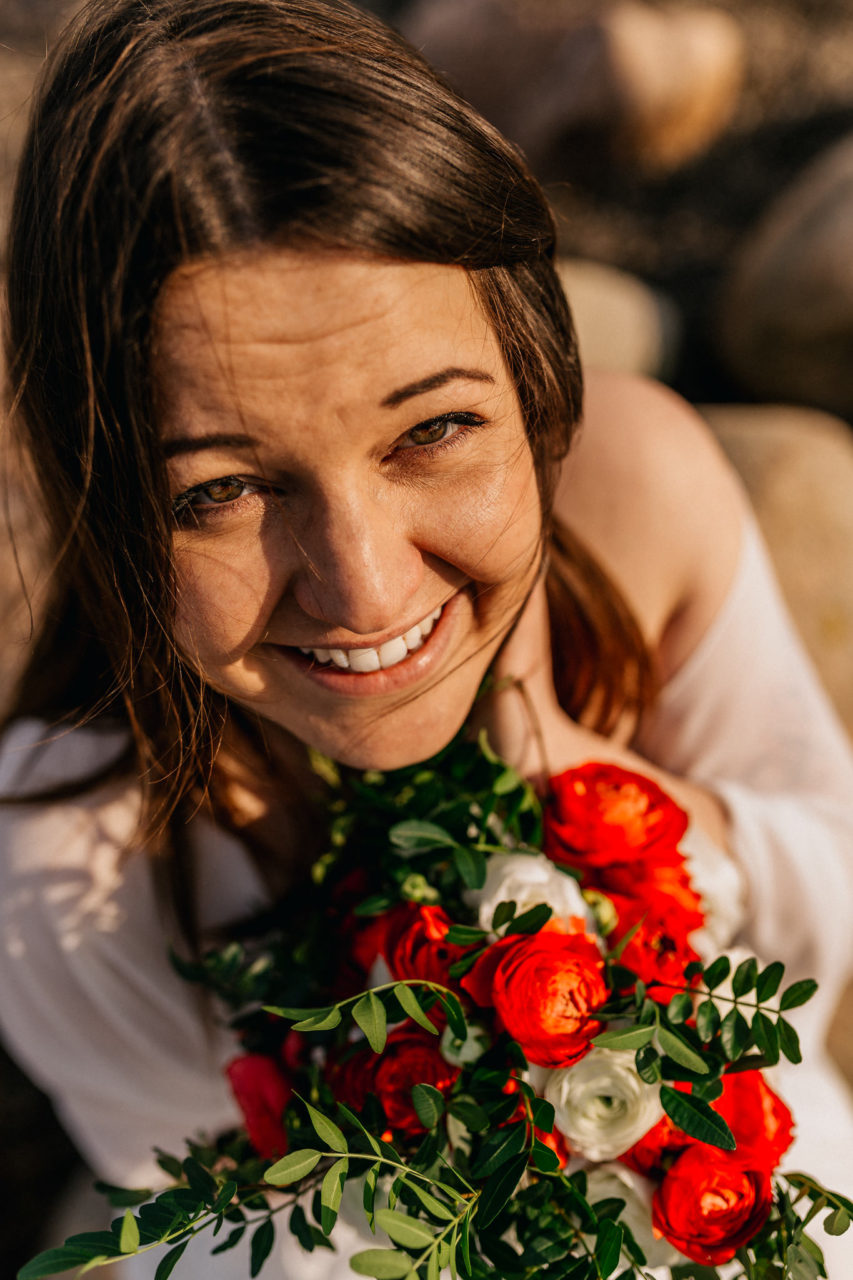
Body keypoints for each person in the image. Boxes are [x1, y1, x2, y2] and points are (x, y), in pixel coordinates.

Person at [0, 1, 851, 1276]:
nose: (360, 585)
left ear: (534, 378)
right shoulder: (73, 863)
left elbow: (814, 923)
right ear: (107, 497)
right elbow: (235, 1228)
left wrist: (570, 773)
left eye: (433, 430)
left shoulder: (643, 504)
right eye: (222, 490)